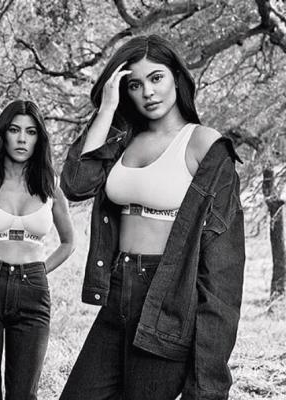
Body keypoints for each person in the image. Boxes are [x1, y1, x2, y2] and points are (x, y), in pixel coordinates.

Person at [58, 35, 244, 400]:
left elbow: (223, 269)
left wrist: (208, 384)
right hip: (117, 289)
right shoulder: (123, 139)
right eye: (134, 84)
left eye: (156, 77)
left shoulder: (204, 144)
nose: (148, 92)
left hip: (167, 298)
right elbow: (76, 184)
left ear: (177, 77)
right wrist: (107, 109)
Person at [0, 100, 75, 400]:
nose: (22, 139)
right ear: (3, 134)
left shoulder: (49, 185)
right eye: (14, 130)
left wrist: (40, 270)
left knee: (23, 395)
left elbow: (68, 242)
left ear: (39, 139)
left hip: (33, 292)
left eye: (31, 132)